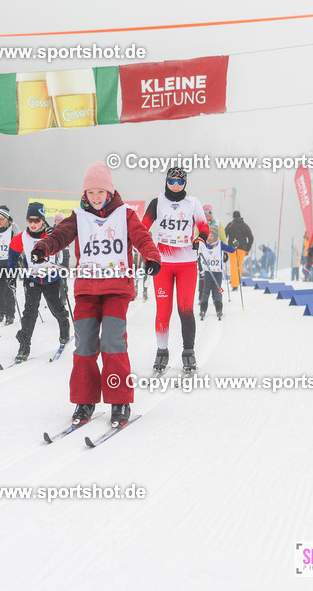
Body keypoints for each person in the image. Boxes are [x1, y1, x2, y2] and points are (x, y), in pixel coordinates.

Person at [31, 162, 161, 428]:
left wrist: (151, 256)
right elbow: (60, 236)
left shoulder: (125, 214)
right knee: (85, 347)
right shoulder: (79, 216)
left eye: (100, 192)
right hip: (87, 291)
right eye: (90, 192)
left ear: (110, 191)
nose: (96, 197)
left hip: (116, 289)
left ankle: (119, 400)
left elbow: (142, 237)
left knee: (113, 343)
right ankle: (85, 400)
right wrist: (44, 247)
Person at [142, 167, 209, 374]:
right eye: (172, 182)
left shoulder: (193, 203)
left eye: (180, 183)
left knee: (185, 309)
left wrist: (200, 238)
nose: (176, 186)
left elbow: (204, 228)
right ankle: (162, 352)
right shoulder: (157, 202)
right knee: (163, 310)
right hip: (162, 263)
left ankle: (188, 352)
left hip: (187, 263)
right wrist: (148, 252)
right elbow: (143, 228)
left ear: (185, 184)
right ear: (166, 181)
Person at [8, 202, 70, 363]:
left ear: (43, 220)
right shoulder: (21, 237)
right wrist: (11, 275)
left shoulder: (52, 235)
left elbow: (61, 254)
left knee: (55, 308)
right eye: (30, 220)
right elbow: (13, 256)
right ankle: (24, 346)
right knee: (29, 312)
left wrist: (60, 265)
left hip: (50, 278)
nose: (33, 224)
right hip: (32, 278)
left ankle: (64, 328)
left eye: (37, 220)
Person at [224, 210, 253, 290]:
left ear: (233, 216)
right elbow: (251, 238)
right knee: (239, 265)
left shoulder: (231, 225)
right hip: (243, 249)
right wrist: (247, 248)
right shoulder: (245, 225)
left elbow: (224, 235)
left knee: (233, 265)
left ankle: (234, 284)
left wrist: (224, 245)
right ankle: (237, 280)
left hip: (233, 248)